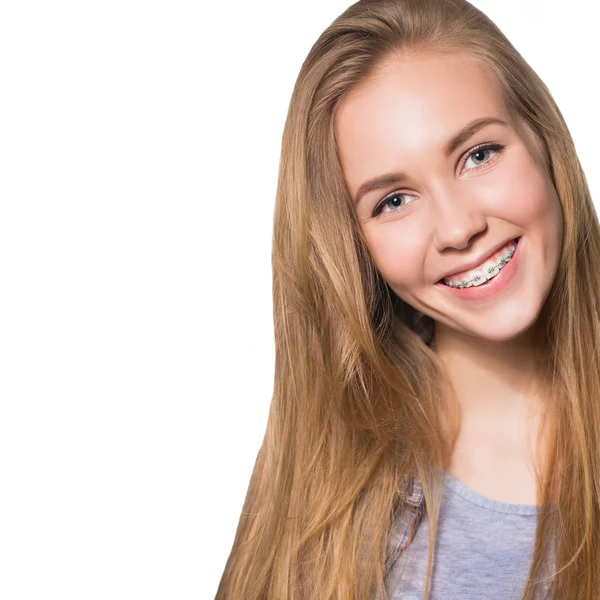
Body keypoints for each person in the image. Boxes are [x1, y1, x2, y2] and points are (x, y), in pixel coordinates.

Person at [215, 1, 599, 598]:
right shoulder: (325, 499)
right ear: (354, 247)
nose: (456, 228)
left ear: (542, 140)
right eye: (393, 200)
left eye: (479, 154)